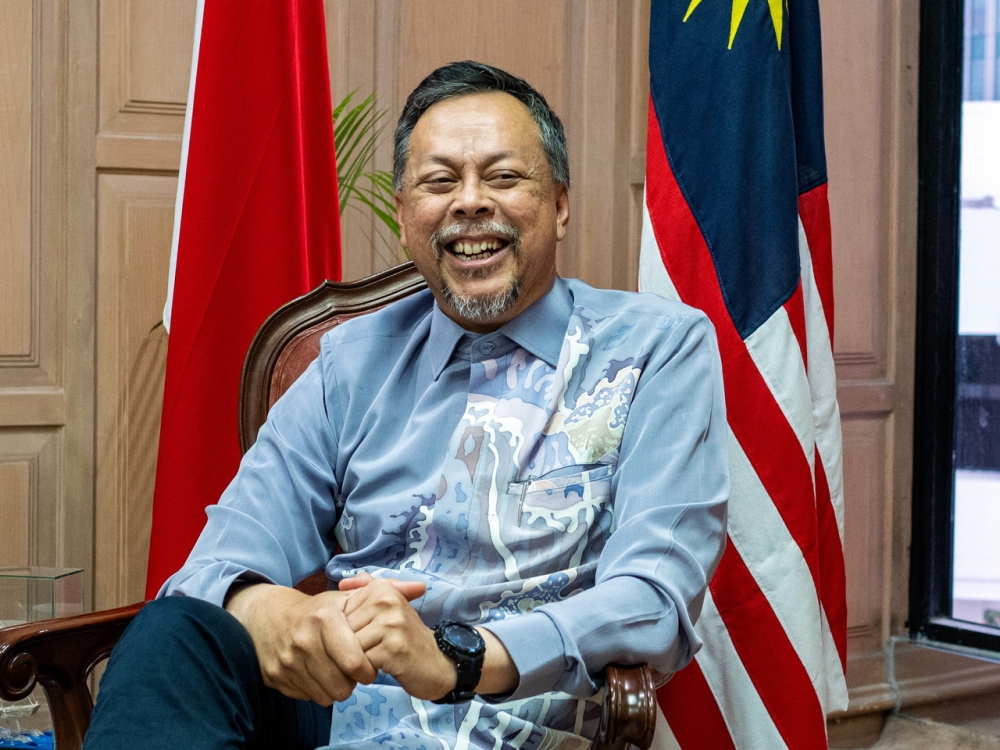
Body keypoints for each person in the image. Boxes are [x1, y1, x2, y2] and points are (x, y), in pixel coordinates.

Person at [83, 60, 729, 750]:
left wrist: (458, 658)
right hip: (343, 714)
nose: (470, 202)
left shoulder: (658, 348)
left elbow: (654, 599)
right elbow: (211, 565)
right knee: (175, 633)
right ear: (403, 217)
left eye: (504, 177)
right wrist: (263, 606)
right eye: (439, 181)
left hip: (529, 720)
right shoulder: (349, 364)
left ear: (561, 205)